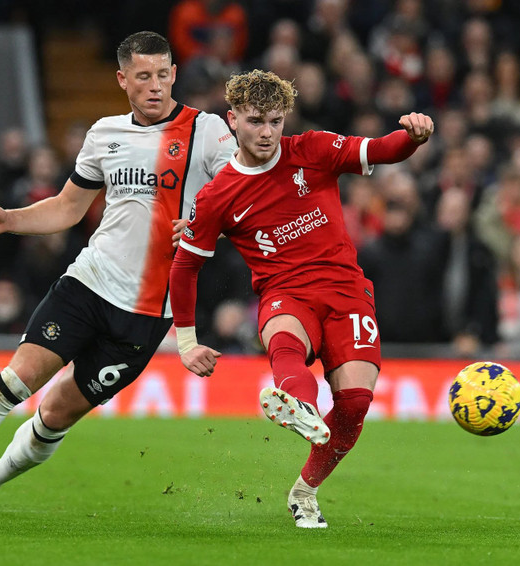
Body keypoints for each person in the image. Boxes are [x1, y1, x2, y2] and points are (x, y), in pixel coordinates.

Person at [0, 31, 237, 518]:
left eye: (163, 74)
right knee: (17, 380)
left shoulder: (211, 133)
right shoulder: (104, 134)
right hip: (89, 283)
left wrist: (209, 225)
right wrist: (10, 219)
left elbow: (242, 199)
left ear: (174, 74)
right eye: (143, 76)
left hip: (146, 313)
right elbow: (68, 208)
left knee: (54, 414)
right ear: (123, 80)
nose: (155, 85)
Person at [169, 69, 433, 528]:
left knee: (354, 405)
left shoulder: (312, 149)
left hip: (347, 292)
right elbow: (185, 266)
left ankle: (305, 490)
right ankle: (300, 406)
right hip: (284, 292)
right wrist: (187, 341)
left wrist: (412, 136)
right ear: (233, 121)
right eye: (255, 121)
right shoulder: (217, 196)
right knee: (286, 342)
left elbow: (382, 149)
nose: (267, 132)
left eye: (275, 120)